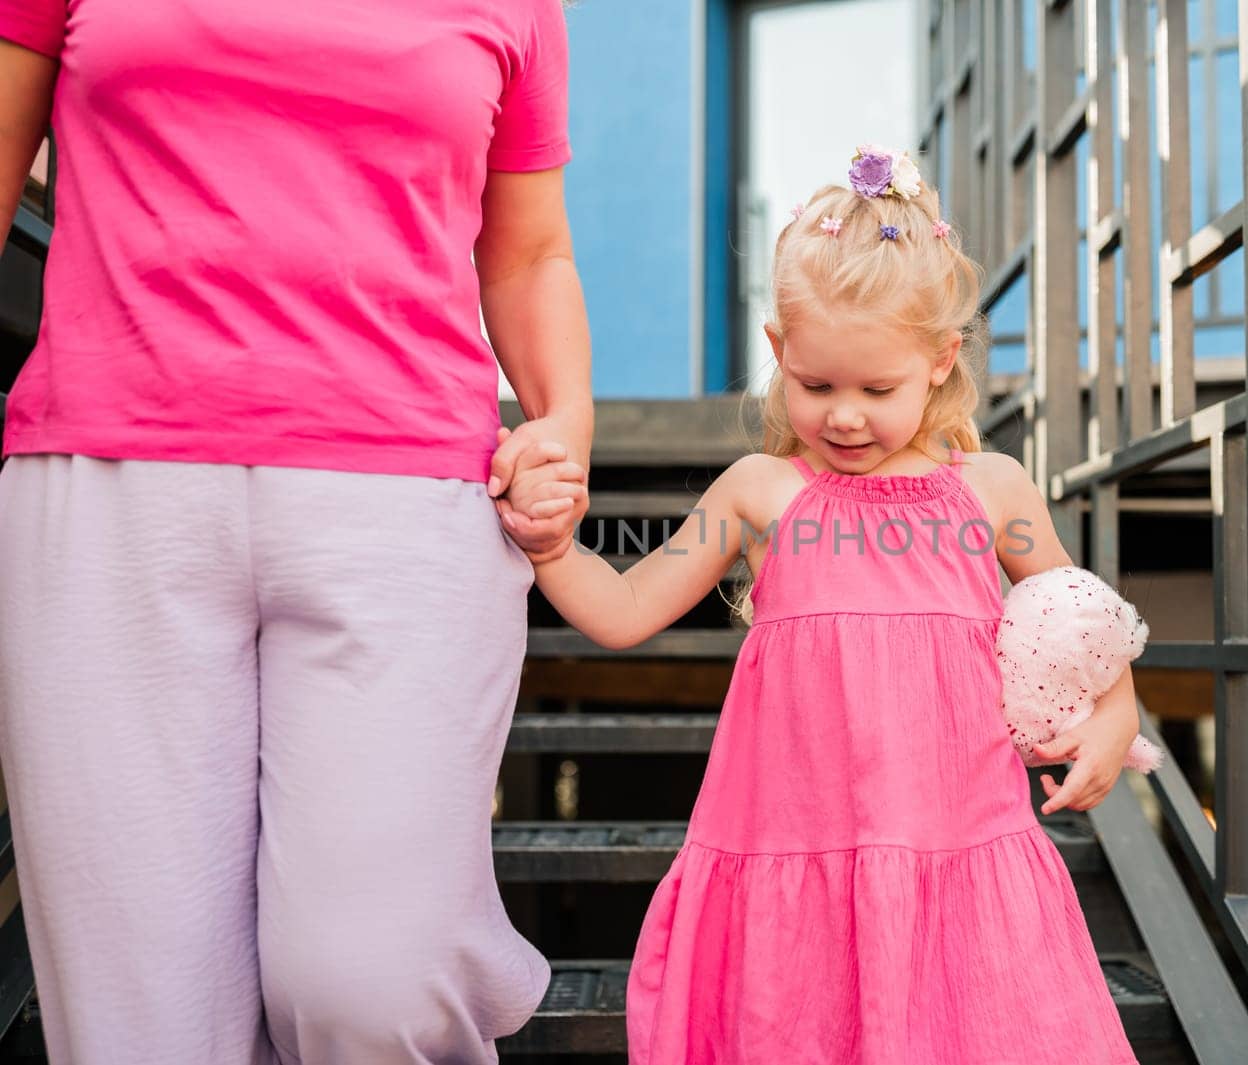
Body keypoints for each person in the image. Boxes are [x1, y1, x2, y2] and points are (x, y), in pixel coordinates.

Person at [0, 1, 592, 1061]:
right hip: (111, 486)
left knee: (378, 988)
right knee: (142, 1027)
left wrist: (563, 423)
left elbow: (531, 250)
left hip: (407, 505)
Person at [508, 147, 1141, 1063]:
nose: (845, 415)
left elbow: (1081, 632)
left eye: (876, 390)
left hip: (957, 846)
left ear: (940, 361)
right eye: (815, 386)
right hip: (796, 844)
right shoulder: (761, 491)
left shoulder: (994, 489)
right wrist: (556, 549)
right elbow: (622, 608)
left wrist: (1115, 722)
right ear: (778, 353)